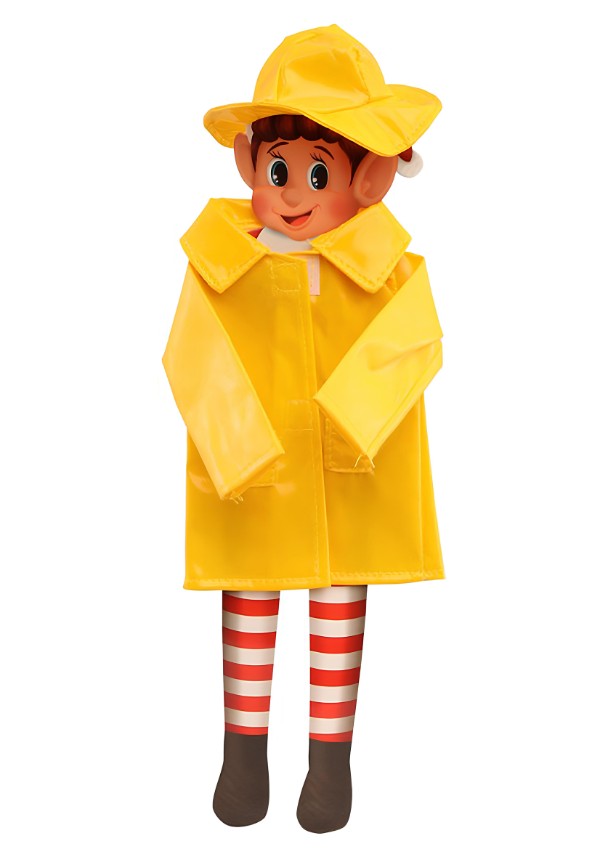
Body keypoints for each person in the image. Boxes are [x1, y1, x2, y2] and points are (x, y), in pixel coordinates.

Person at [163, 24, 444, 834]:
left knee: (337, 595)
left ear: (370, 178)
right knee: (249, 592)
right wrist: (235, 447)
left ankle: (329, 762)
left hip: (352, 469)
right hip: (249, 471)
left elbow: (415, 338)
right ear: (249, 164)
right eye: (279, 169)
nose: (292, 192)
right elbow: (191, 350)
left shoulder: (389, 267)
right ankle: (243, 752)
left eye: (318, 171)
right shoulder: (222, 261)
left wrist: (356, 420)